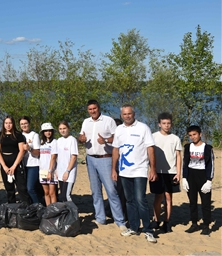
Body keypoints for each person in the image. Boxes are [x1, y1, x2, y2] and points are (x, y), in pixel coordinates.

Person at [78, 99, 126, 232]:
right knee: (95, 191)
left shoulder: (108, 121)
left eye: (94, 108)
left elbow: (117, 138)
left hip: (106, 159)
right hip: (90, 159)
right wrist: (80, 139)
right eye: (90, 109)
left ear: (99, 108)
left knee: (111, 190)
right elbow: (81, 136)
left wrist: (105, 140)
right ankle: (100, 218)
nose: (92, 111)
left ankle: (120, 220)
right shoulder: (86, 122)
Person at [112, 105, 158, 243]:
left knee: (141, 200)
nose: (127, 116)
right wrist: (113, 169)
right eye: (124, 114)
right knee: (129, 200)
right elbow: (115, 150)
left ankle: (148, 230)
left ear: (134, 114)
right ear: (121, 115)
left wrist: (153, 169)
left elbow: (150, 149)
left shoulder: (143, 128)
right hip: (124, 171)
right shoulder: (119, 129)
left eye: (129, 113)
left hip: (140, 170)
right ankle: (134, 227)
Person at [150, 112, 182, 233]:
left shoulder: (175, 138)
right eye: (164, 123)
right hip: (157, 171)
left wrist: (178, 173)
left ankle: (167, 222)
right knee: (158, 197)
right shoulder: (153, 137)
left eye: (168, 123)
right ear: (159, 124)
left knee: (169, 197)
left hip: (171, 172)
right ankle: (156, 220)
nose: (166, 125)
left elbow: (178, 156)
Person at [182, 125, 214, 236]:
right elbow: (185, 163)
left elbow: (211, 165)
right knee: (192, 202)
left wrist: (209, 180)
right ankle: (194, 223)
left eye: (194, 134)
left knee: (205, 203)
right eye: (190, 135)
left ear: (200, 134)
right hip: (191, 175)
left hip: (203, 176)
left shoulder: (207, 148)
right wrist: (184, 178)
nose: (193, 137)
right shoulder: (187, 147)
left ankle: (206, 225)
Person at [0, 116, 30, 204]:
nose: (8, 125)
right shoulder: (0, 135)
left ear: (13, 124)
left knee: (21, 187)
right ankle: (12, 207)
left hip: (16, 162)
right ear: (3, 124)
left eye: (10, 123)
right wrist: (4, 166)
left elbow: (22, 150)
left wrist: (14, 166)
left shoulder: (18, 135)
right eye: (6, 123)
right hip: (4, 162)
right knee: (9, 188)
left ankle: (26, 207)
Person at [20, 116, 43, 204]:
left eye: (25, 123)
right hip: (22, 165)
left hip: (33, 165)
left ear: (29, 124)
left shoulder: (34, 135)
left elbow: (38, 152)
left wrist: (29, 149)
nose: (24, 125)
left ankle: (38, 205)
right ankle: (32, 206)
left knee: (30, 188)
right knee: (25, 189)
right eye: (22, 124)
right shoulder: (20, 135)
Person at [55, 121, 78, 202]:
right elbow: (58, 157)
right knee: (62, 196)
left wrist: (67, 171)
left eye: (64, 128)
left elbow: (74, 157)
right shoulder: (59, 140)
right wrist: (57, 170)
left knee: (66, 196)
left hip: (69, 172)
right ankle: (67, 213)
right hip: (60, 171)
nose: (62, 130)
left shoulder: (72, 140)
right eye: (60, 129)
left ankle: (73, 213)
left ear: (68, 128)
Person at [40, 122, 58, 206]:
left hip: (52, 170)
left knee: (52, 193)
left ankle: (54, 210)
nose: (48, 132)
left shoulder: (55, 142)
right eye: (46, 131)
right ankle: (48, 210)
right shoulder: (41, 143)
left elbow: (53, 157)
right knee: (46, 193)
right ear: (43, 132)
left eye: (50, 130)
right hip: (42, 170)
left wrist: (50, 171)